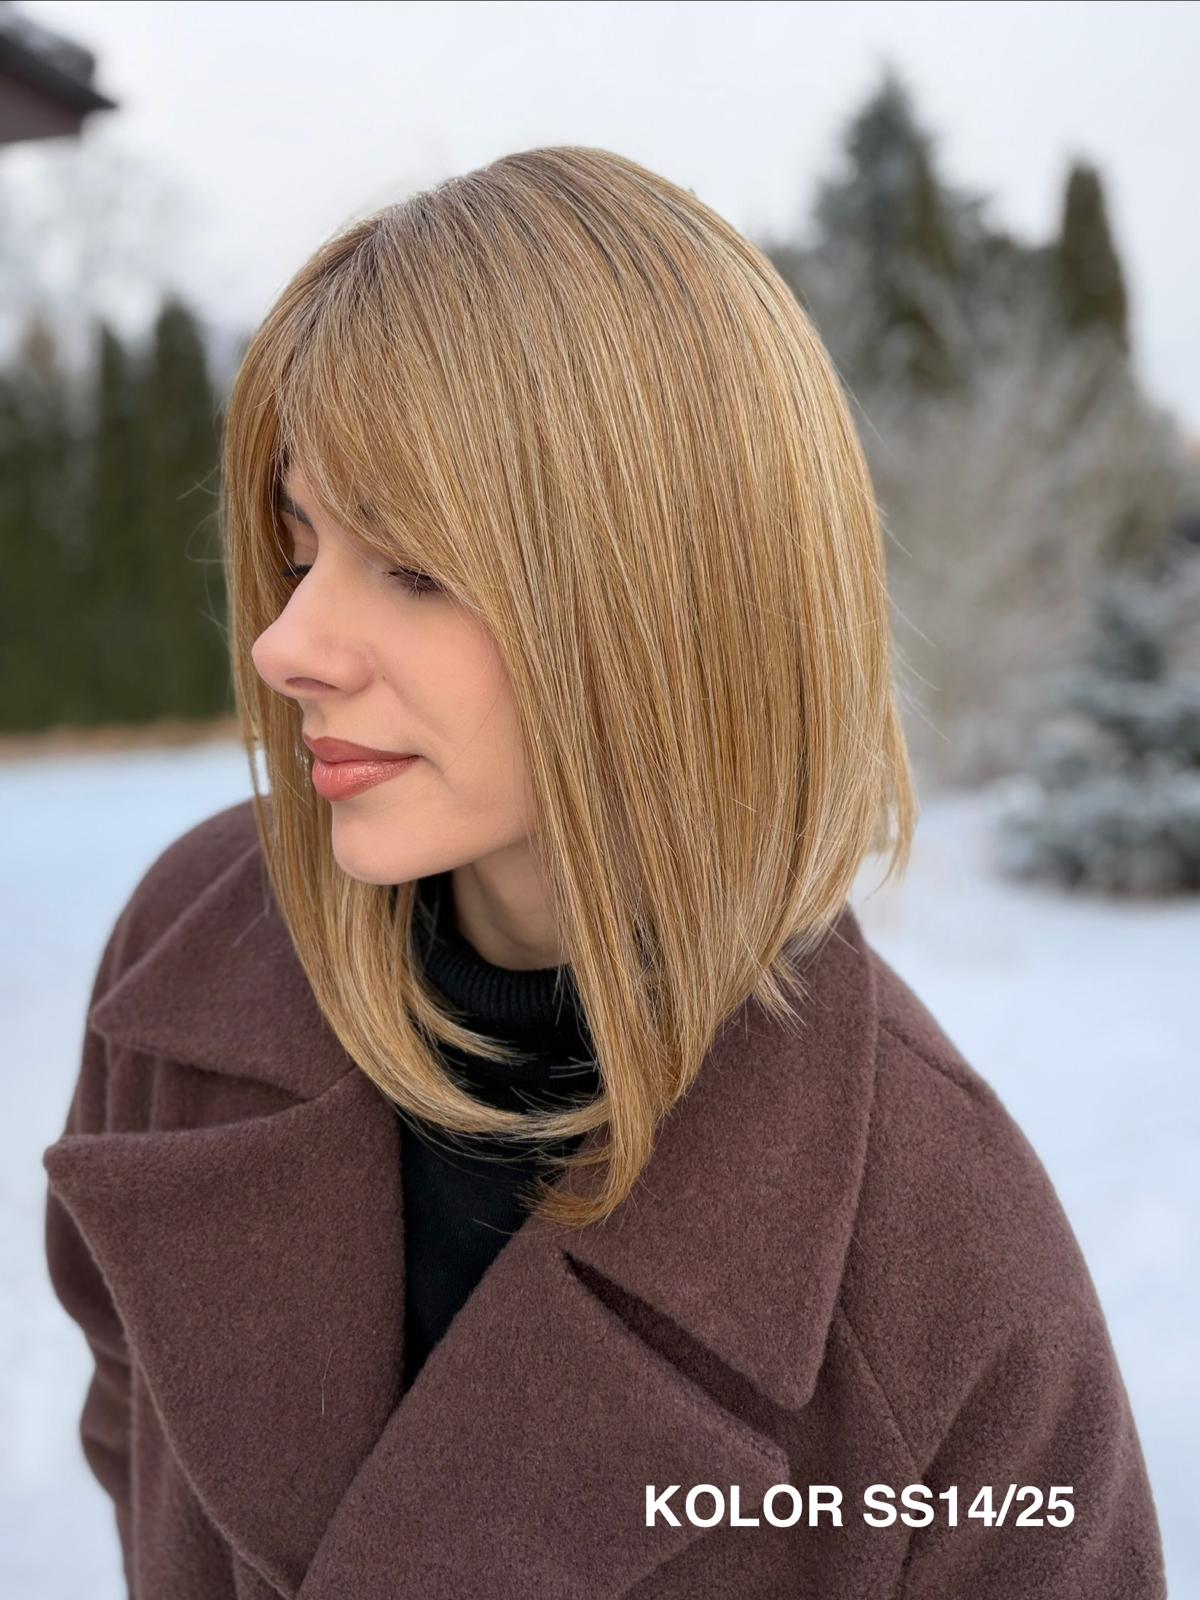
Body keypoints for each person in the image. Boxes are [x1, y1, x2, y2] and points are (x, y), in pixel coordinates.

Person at [43, 145, 1166, 1598]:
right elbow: (133, 1418)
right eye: (302, 546)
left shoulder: (949, 1268)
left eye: (415, 569)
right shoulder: (191, 948)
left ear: (672, 597)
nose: (284, 644)